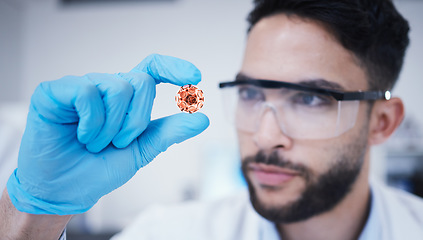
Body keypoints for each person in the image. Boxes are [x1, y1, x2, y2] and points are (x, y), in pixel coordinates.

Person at [1, 0, 422, 239]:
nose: (264, 135)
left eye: (310, 99)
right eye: (251, 93)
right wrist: (36, 216)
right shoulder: (171, 233)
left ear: (381, 122)